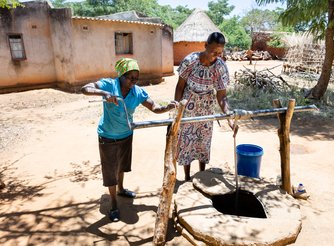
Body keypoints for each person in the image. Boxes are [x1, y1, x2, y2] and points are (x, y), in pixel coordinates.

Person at [81, 58, 178, 222]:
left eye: (136, 78)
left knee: (122, 165)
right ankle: (113, 203)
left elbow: (154, 107)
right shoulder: (109, 85)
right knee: (110, 170)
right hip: (107, 136)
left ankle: (121, 189)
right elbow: (85, 88)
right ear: (121, 75)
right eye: (130, 77)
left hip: (126, 134)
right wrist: (105, 94)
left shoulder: (137, 92)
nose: (133, 81)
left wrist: (168, 106)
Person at [174, 32, 236, 181]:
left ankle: (202, 175)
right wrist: (177, 110)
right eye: (213, 51)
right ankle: (187, 178)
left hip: (207, 107)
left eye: (219, 53)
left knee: (203, 141)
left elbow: (221, 95)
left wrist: (228, 115)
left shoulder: (220, 67)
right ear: (205, 46)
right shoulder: (190, 61)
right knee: (187, 142)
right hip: (188, 106)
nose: (216, 56)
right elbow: (179, 87)